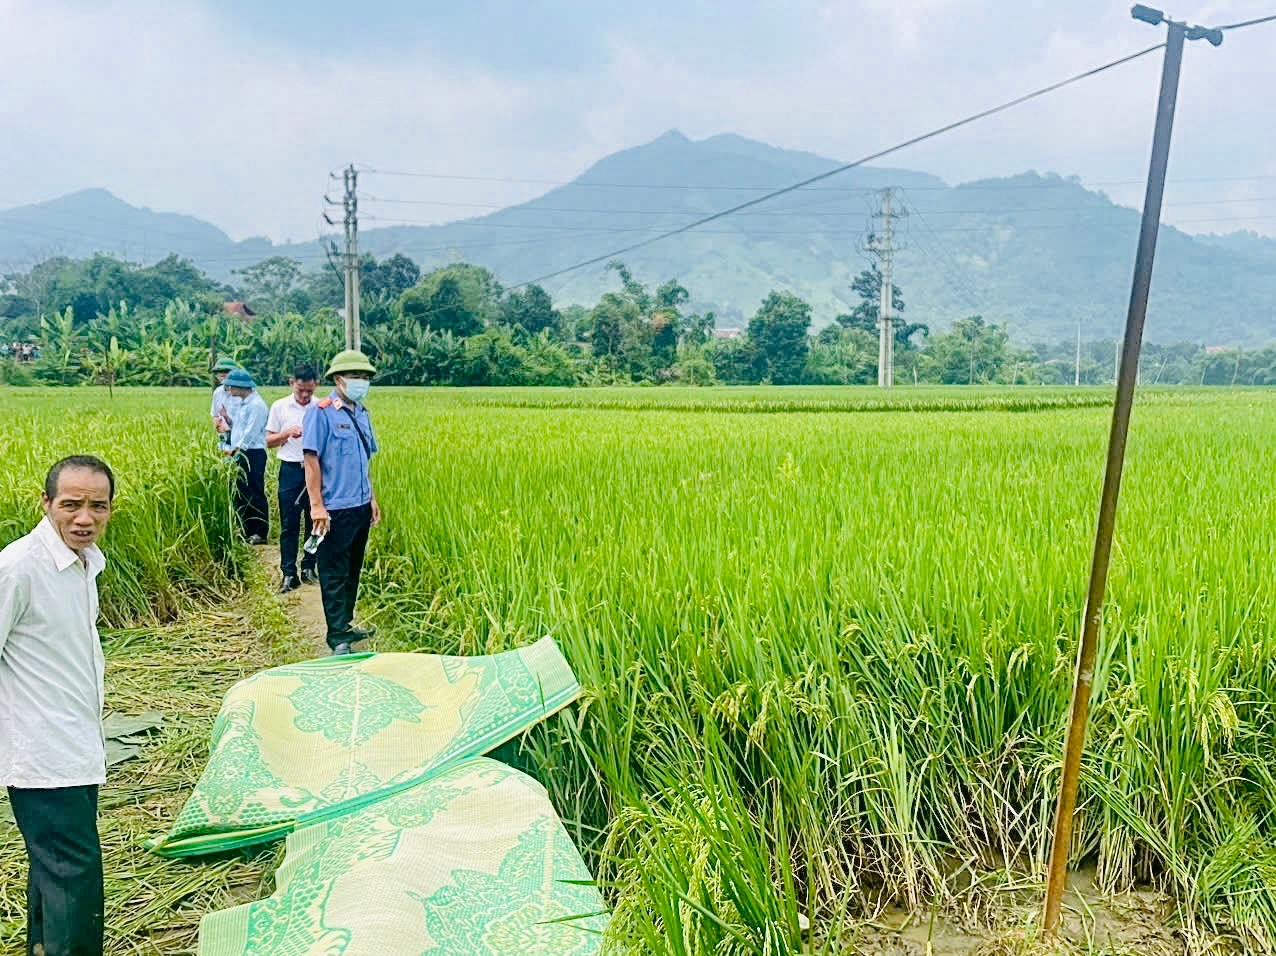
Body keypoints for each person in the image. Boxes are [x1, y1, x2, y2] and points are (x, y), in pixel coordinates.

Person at [0, 455, 116, 956]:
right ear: (46, 504)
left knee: (56, 871)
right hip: (43, 756)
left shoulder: (87, 563)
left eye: (97, 506)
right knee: (75, 876)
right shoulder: (19, 567)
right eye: (70, 505)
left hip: (77, 746)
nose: (84, 518)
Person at [303, 349, 381, 655]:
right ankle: (337, 637)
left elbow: (364, 461)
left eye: (364, 377)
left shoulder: (362, 413)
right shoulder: (321, 413)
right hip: (334, 508)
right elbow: (310, 460)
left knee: (352, 570)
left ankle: (346, 624)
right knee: (334, 572)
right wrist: (317, 506)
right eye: (355, 377)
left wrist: (372, 497)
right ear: (338, 379)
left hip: (360, 506)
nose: (361, 382)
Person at [267, 363, 320, 592]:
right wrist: (287, 434)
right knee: (289, 523)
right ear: (292, 384)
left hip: (317, 470)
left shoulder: (322, 407)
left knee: (315, 521)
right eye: (301, 390)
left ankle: (309, 566)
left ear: (316, 385)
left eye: (310, 390)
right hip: (290, 469)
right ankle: (289, 573)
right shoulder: (279, 407)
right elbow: (267, 441)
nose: (306, 395)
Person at [222, 368, 270, 545]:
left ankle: (259, 531)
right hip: (241, 452)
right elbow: (240, 429)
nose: (229, 391)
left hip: (252, 453)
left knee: (254, 491)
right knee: (242, 492)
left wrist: (236, 451)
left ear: (240, 387)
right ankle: (247, 529)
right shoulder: (244, 404)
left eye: (231, 387)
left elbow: (249, 434)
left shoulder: (257, 405)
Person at [209, 357, 239, 450]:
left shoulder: (242, 393)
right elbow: (215, 415)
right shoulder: (217, 393)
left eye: (226, 371)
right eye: (219, 371)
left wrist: (229, 428)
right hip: (224, 439)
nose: (222, 374)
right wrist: (218, 425)